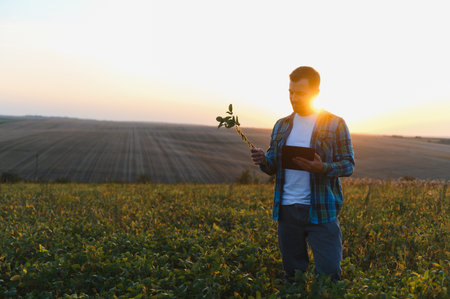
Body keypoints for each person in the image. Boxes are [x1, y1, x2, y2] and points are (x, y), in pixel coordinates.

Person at [250, 66, 354, 283]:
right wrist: (263, 160)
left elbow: (348, 165)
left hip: (322, 211)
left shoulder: (335, 124)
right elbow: (273, 167)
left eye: (300, 93)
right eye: (291, 92)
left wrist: (322, 167)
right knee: (293, 277)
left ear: (315, 93)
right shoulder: (281, 125)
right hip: (287, 211)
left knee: (328, 276)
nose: (294, 98)